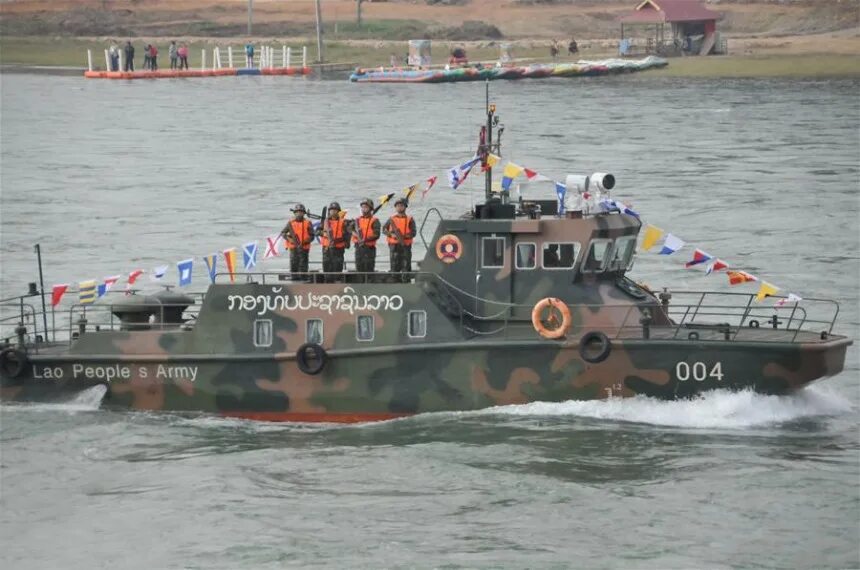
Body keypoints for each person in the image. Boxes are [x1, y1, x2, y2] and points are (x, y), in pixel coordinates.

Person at [383, 198, 416, 282]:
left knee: (406, 265)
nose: (399, 208)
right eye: (397, 206)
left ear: (405, 207)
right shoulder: (391, 219)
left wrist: (403, 237)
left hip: (405, 246)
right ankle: (395, 282)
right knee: (394, 265)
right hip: (394, 246)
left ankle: (406, 282)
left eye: (401, 206)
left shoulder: (410, 219)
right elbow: (384, 229)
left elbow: (413, 232)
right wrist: (391, 234)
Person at [318, 202, 350, 282]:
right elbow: (317, 231)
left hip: (338, 249)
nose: (333, 212)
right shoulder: (325, 222)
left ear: (338, 211)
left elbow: (347, 235)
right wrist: (324, 233)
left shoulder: (344, 222)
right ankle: (327, 284)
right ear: (329, 211)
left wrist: (340, 241)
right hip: (326, 249)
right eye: (332, 210)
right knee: (326, 267)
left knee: (337, 268)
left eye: (335, 210)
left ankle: (337, 284)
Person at [281, 203, 314, 279]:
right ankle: (294, 278)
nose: (299, 213)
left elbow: (312, 235)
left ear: (303, 213)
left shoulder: (308, 223)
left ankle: (303, 278)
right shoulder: (290, 223)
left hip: (304, 247)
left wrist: (306, 240)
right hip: (293, 247)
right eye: (297, 212)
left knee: (303, 263)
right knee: (293, 262)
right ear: (295, 213)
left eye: (301, 212)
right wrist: (290, 240)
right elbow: (283, 233)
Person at [352, 198, 381, 275]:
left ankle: (369, 284)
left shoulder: (375, 220)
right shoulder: (357, 220)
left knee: (369, 268)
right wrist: (354, 234)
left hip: (369, 248)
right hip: (358, 247)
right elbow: (349, 229)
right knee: (359, 267)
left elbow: (376, 235)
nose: (364, 209)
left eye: (366, 207)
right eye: (363, 207)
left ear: (370, 208)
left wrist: (365, 239)